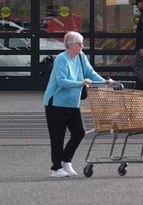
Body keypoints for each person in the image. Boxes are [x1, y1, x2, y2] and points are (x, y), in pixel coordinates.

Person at [43, 31, 111, 178]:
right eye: (79, 43)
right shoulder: (62, 59)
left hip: (72, 103)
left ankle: (66, 160)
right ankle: (56, 168)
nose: (82, 46)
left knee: (79, 132)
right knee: (57, 137)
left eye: (82, 43)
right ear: (70, 45)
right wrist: (81, 83)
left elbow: (91, 73)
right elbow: (62, 81)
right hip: (56, 102)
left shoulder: (81, 57)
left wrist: (105, 82)